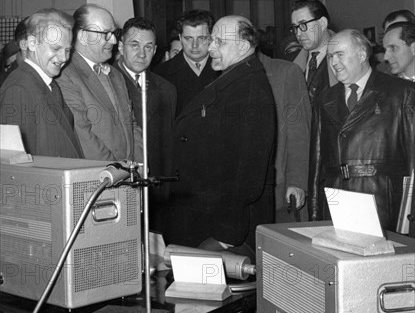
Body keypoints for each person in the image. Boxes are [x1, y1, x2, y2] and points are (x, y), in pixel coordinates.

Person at [166, 15, 276, 257]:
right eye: (211, 40)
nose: (210, 48)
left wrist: (226, 236)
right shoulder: (235, 78)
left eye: (219, 42)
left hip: (224, 226)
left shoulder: (248, 89)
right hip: (207, 215)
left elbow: (247, 171)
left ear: (243, 47)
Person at [309, 29, 415, 231]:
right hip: (335, 203)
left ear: (361, 55)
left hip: (382, 203)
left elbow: (413, 161)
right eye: (331, 56)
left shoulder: (401, 93)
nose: (334, 63)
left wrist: (409, 220)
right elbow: (317, 161)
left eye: (340, 54)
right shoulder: (325, 99)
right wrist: (314, 214)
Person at [57, 4, 143, 162]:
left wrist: (138, 164)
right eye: (106, 34)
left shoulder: (116, 75)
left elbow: (132, 124)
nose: (114, 40)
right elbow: (82, 133)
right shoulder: (65, 75)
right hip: (100, 176)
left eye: (114, 33)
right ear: (83, 36)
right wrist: (116, 171)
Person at [115, 17, 177, 230]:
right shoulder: (107, 83)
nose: (142, 53)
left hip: (155, 194)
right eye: (134, 45)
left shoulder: (167, 89)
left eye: (148, 47)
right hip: (120, 186)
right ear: (121, 46)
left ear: (156, 49)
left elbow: (168, 146)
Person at [0, 9, 83, 158]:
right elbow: (17, 164)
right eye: (55, 48)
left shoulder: (47, 84)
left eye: (68, 50)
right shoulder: (18, 89)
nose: (64, 57)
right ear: (32, 43)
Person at [258, 51, 311, 220]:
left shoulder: (286, 72)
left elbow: (299, 134)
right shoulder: (221, 77)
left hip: (278, 191)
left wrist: (297, 182)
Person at [155, 9, 220, 115]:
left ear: (211, 38)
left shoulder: (224, 69)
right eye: (189, 38)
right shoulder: (161, 74)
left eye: (201, 38)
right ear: (180, 38)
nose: (195, 45)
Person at [290, 0, 337, 106]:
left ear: (322, 23)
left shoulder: (346, 58)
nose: (299, 34)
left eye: (303, 25)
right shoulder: (292, 62)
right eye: (295, 27)